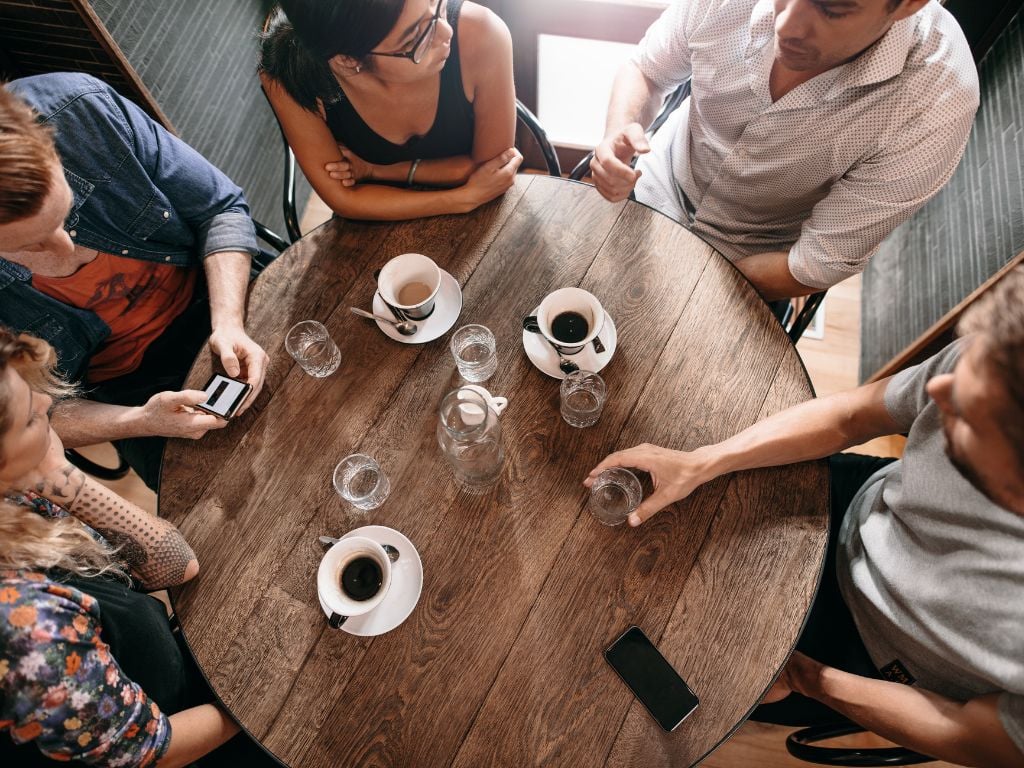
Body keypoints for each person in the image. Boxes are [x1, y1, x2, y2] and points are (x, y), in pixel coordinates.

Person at [584, 265, 1024, 765]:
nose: (937, 391)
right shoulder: (1002, 360)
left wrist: (806, 677)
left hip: (864, 654)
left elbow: (974, 736)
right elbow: (852, 416)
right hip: (864, 501)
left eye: (965, 412)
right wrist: (703, 461)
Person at [0, 327, 271, 766]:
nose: (49, 406)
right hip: (181, 730)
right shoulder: (27, 632)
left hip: (166, 667)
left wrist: (55, 472)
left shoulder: (17, 492)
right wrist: (252, 703)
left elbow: (175, 565)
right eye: (30, 416)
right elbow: (153, 750)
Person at [591, 0, 980, 300]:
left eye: (831, 9)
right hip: (654, 182)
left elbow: (813, 264)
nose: (786, 25)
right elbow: (647, 69)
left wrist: (695, 283)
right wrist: (618, 130)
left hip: (750, 260)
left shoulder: (936, 99)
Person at [0, 73, 269, 490]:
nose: (65, 249)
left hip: (218, 290)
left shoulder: (80, 111)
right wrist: (142, 419)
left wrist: (229, 321)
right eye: (30, 245)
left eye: (64, 213)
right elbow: (26, 420)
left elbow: (221, 209)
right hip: (129, 388)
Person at [259, 0, 523, 221]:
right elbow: (344, 199)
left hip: (485, 212)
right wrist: (461, 199)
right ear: (348, 61)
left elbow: (493, 169)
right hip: (374, 226)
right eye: (416, 38)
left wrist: (378, 172)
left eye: (434, 3)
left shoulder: (482, 33)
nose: (445, 33)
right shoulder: (288, 74)